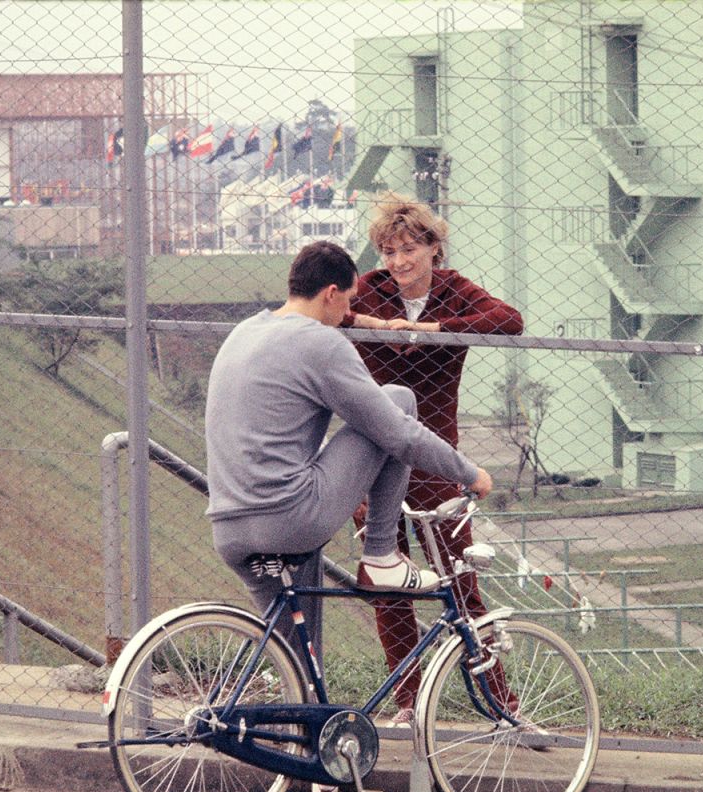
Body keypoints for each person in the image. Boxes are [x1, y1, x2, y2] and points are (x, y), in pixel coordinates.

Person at [205, 240, 493, 666]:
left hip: (230, 528)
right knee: (397, 400)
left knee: (298, 669)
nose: (347, 316)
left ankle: (294, 728)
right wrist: (469, 473)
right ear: (331, 294)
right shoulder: (321, 343)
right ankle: (380, 555)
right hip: (288, 519)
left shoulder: (244, 332)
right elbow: (397, 434)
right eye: (349, 302)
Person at [344, 192, 523, 728]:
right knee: (386, 583)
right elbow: (323, 311)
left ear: (433, 248)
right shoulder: (371, 290)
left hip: (435, 457)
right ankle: (407, 701)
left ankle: (501, 704)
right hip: (373, 458)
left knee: (461, 581)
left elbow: (508, 320)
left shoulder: (454, 291)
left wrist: (429, 331)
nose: (398, 263)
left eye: (409, 250)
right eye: (388, 251)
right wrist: (378, 327)